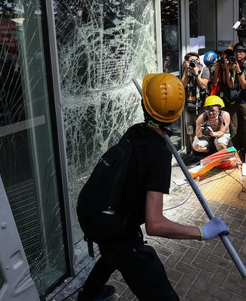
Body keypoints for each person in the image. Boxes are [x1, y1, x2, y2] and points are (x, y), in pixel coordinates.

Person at [78, 73, 229, 301]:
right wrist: (202, 232)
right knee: (159, 292)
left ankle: (89, 295)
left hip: (94, 212)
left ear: (143, 105)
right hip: (114, 225)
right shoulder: (158, 153)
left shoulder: (135, 131)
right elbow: (155, 224)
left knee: (111, 254)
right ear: (177, 115)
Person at [224, 43, 246, 152]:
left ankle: (245, 149)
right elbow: (230, 84)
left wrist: (239, 71)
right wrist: (227, 68)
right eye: (236, 52)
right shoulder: (231, 65)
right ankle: (234, 151)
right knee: (233, 129)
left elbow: (244, 85)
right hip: (233, 100)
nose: (238, 54)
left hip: (245, 100)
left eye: (241, 52)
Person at [181, 52, 210, 152]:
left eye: (195, 60)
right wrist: (186, 70)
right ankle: (193, 151)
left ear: (199, 60)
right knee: (190, 130)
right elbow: (183, 85)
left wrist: (196, 73)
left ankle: (200, 151)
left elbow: (203, 85)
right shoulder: (186, 71)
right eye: (190, 61)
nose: (194, 62)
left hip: (200, 105)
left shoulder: (204, 70)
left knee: (200, 129)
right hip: (188, 105)